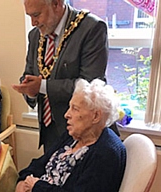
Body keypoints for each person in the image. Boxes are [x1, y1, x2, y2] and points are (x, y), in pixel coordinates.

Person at [12, 0, 116, 152]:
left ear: (56, 4)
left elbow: (91, 85)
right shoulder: (35, 35)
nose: (33, 22)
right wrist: (29, 90)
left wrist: (41, 86)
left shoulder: (91, 28)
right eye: (29, 16)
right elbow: (29, 74)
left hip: (84, 132)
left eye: (36, 15)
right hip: (48, 129)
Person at [15, 78, 126, 192]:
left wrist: (36, 186)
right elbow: (40, 163)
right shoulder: (73, 137)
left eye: (75, 109)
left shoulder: (105, 153)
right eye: (69, 107)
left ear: (96, 116)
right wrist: (22, 182)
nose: (67, 114)